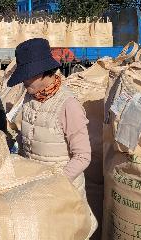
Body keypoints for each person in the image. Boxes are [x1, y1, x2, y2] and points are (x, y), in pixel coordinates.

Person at [6, 37, 92, 195]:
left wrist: (56, 183)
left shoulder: (68, 105)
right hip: (34, 189)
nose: (23, 81)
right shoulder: (29, 97)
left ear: (42, 72)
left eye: (27, 75)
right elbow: (25, 140)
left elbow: (82, 156)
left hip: (63, 195)